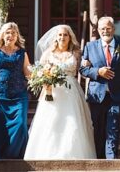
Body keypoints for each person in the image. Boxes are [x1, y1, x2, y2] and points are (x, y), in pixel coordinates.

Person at [24, 25, 97, 160]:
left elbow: (84, 68)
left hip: (71, 91)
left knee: (72, 122)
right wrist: (45, 80)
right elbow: (39, 72)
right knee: (51, 121)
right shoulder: (48, 54)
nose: (62, 37)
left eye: (65, 35)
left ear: (70, 38)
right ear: (56, 38)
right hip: (52, 91)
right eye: (60, 35)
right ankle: (47, 154)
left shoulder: (76, 53)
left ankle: (72, 154)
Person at [79, 16, 120, 159]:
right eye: (102, 28)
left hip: (117, 94)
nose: (105, 31)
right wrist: (97, 72)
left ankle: (110, 161)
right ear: (98, 30)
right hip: (97, 95)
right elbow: (82, 70)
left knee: (113, 127)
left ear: (113, 29)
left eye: (108, 28)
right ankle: (100, 160)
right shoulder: (90, 46)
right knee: (98, 128)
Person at [0, 22, 31, 159]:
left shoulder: (22, 53)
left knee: (21, 126)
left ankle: (12, 158)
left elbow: (29, 73)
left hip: (19, 96)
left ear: (17, 36)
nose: (11, 35)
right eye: (8, 33)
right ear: (2, 35)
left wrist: (44, 78)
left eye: (14, 33)